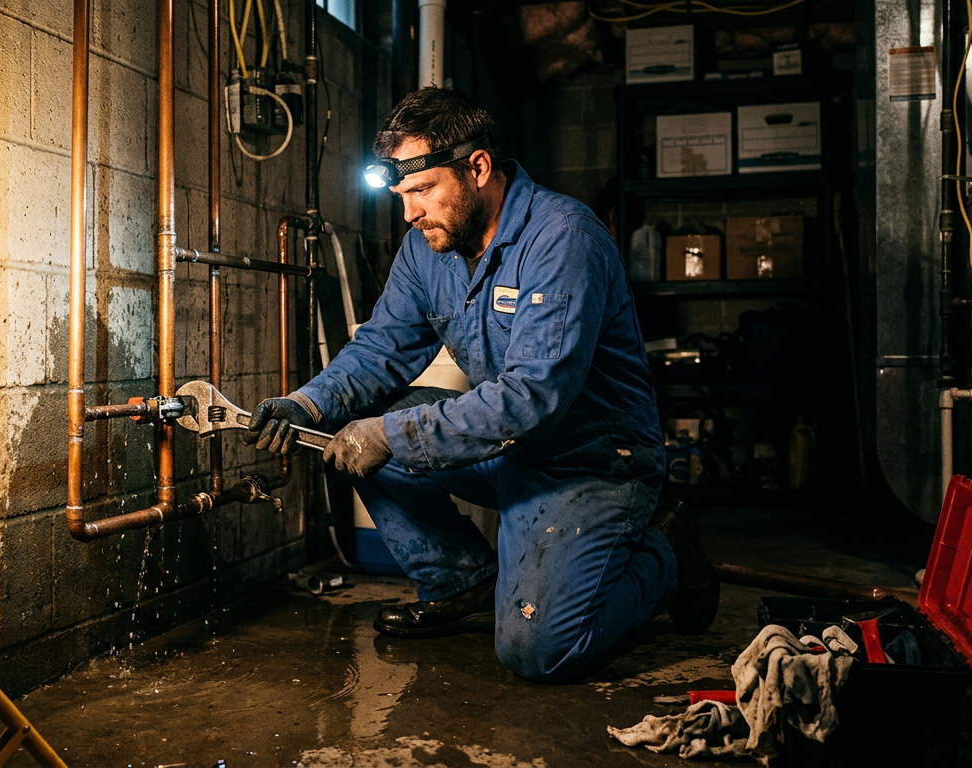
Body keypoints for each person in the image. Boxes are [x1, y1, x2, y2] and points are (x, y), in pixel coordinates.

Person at [242, 87, 717, 684]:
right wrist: (307, 403)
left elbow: (532, 399)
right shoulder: (428, 249)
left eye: (421, 192)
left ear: (479, 168)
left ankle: (668, 555)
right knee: (353, 429)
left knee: (539, 652)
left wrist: (390, 433)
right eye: (402, 196)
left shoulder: (562, 238)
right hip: (511, 451)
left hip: (592, 462)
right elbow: (383, 347)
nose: (410, 214)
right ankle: (460, 580)